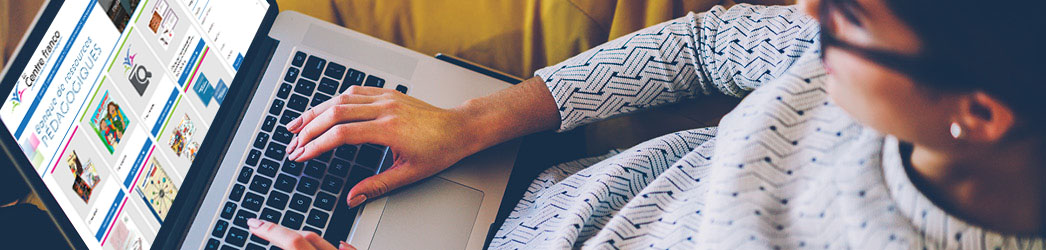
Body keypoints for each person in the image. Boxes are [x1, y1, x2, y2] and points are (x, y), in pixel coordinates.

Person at [246, 0, 1046, 249]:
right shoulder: (919, 57)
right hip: (531, 174)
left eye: (847, 21)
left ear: (976, 116)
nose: (809, 14)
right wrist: (472, 122)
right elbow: (706, 45)